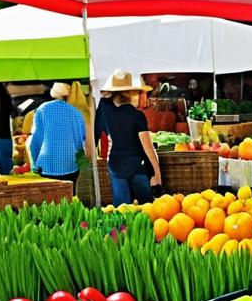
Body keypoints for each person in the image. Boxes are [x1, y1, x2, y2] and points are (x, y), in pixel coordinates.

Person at [94, 70, 161, 206]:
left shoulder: (104, 111)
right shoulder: (137, 116)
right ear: (131, 93)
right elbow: (148, 149)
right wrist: (157, 173)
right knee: (147, 207)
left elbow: (96, 136)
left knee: (121, 210)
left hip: (115, 166)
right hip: (136, 166)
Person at [29, 82, 88, 187]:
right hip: (71, 164)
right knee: (70, 199)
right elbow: (81, 141)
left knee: (49, 200)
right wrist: (82, 165)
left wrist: (35, 163)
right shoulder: (76, 112)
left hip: (47, 165)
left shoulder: (42, 109)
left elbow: (36, 140)